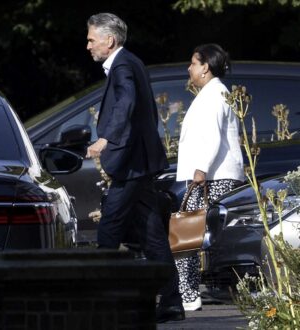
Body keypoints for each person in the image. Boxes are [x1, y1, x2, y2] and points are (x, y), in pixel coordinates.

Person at [85, 12, 185, 323]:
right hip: (139, 164)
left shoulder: (123, 65)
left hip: (130, 165)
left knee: (108, 231)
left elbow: (127, 104)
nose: (87, 45)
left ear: (108, 40)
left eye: (91, 39)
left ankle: (101, 304)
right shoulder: (132, 62)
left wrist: (106, 139)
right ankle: (171, 302)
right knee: (153, 236)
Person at [176, 43, 244, 311]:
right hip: (208, 177)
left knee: (185, 234)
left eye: (193, 63)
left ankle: (188, 294)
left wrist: (200, 169)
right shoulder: (211, 93)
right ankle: (188, 292)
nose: (189, 68)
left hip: (210, 178)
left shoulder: (215, 95)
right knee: (189, 235)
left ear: (205, 67)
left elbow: (212, 136)